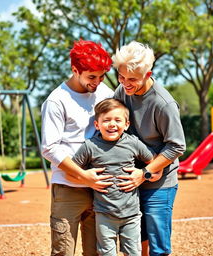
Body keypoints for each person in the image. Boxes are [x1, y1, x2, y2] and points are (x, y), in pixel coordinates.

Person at [112, 41, 186, 256]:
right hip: (133, 176)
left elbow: (177, 145)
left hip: (158, 182)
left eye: (132, 79)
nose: (125, 83)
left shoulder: (163, 104)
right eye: (121, 76)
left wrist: (147, 170)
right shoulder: (122, 90)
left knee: (158, 244)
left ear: (148, 74)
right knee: (138, 236)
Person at [41, 40, 114, 256]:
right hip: (68, 187)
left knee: (97, 251)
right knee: (64, 251)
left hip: (100, 189)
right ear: (75, 70)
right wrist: (83, 176)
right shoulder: (57, 100)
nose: (98, 82)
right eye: (92, 77)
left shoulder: (106, 94)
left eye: (101, 76)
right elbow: (50, 148)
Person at [72, 98, 163, 256]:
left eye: (117, 120)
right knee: (106, 253)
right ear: (97, 125)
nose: (112, 124)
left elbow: (154, 161)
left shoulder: (133, 143)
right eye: (106, 120)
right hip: (104, 214)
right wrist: (86, 178)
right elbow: (73, 170)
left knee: (133, 252)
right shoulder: (90, 146)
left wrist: (144, 175)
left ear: (127, 125)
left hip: (132, 214)